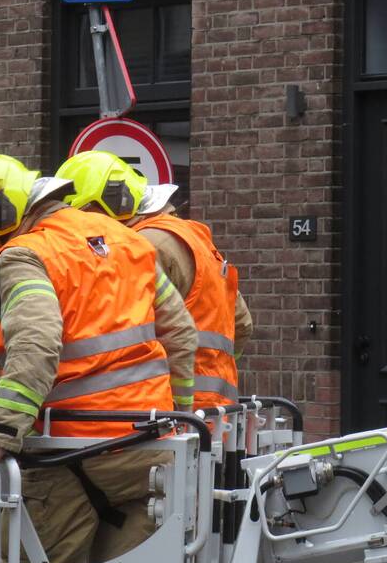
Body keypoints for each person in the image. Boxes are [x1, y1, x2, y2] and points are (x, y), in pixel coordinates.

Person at [0, 154, 197, 563]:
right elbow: (182, 336)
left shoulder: (23, 255)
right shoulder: (127, 240)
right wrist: (177, 421)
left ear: (2, 210)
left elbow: (35, 346)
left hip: (67, 456)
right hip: (148, 456)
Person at [56, 150, 253, 411]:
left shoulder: (142, 246)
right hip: (218, 409)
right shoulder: (195, 239)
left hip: (167, 410)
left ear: (102, 206)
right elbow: (242, 324)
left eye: (80, 213)